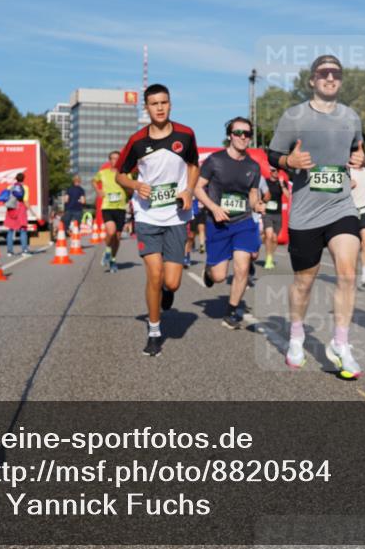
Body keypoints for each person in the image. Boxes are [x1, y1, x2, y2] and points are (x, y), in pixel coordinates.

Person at [268, 55, 365, 378]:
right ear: (311, 80)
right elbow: (273, 155)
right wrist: (289, 162)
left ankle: (341, 343)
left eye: (335, 73)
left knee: (347, 270)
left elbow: (357, 151)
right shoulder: (294, 116)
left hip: (341, 206)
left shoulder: (351, 117)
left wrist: (359, 158)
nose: (329, 77)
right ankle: (296, 336)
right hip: (306, 212)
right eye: (323, 73)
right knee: (304, 282)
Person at [116, 84, 199, 357]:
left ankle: (166, 292)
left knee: (172, 282)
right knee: (154, 273)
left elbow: (193, 165)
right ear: (147, 107)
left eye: (164, 102)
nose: (160, 107)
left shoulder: (186, 135)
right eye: (154, 103)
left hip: (176, 215)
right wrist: (135, 185)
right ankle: (154, 331)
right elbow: (120, 175)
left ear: (170, 104)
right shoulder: (137, 140)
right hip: (147, 214)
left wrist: (188, 190)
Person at [196, 117, 265, 329]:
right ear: (230, 136)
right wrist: (214, 208)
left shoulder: (253, 166)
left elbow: (253, 195)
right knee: (219, 276)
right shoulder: (215, 160)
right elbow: (198, 188)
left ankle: (232, 311)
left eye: (247, 134)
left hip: (243, 221)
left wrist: (258, 205)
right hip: (218, 223)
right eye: (238, 133)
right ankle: (208, 271)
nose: (243, 137)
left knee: (243, 267)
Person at [94, 151, 130, 272]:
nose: (115, 161)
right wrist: (98, 191)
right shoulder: (103, 173)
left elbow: (131, 189)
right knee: (111, 232)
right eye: (113, 159)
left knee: (118, 237)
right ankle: (107, 252)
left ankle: (113, 260)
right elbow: (94, 181)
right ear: (109, 160)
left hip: (120, 208)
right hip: (107, 206)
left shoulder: (126, 174)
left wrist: (127, 188)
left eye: (117, 159)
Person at [349, 158, 365, 287]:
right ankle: (351, 274)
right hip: (349, 211)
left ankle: (364, 276)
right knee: (352, 245)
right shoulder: (347, 171)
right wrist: (348, 184)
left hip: (364, 209)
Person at [261, 167, 289, 270]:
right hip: (267, 213)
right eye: (273, 171)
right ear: (270, 172)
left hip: (278, 214)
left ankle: (270, 256)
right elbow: (259, 193)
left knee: (274, 238)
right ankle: (268, 260)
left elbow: (288, 196)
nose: (276, 172)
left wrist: (282, 185)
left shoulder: (282, 183)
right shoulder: (265, 182)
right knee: (269, 235)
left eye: (277, 171)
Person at [4, 172, 31, 257]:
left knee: (10, 230)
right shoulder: (25, 187)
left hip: (11, 209)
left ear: (16, 178)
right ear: (24, 178)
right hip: (20, 208)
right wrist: (29, 208)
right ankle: (24, 250)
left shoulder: (9, 187)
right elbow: (25, 200)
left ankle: (9, 251)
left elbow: (6, 198)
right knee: (23, 230)